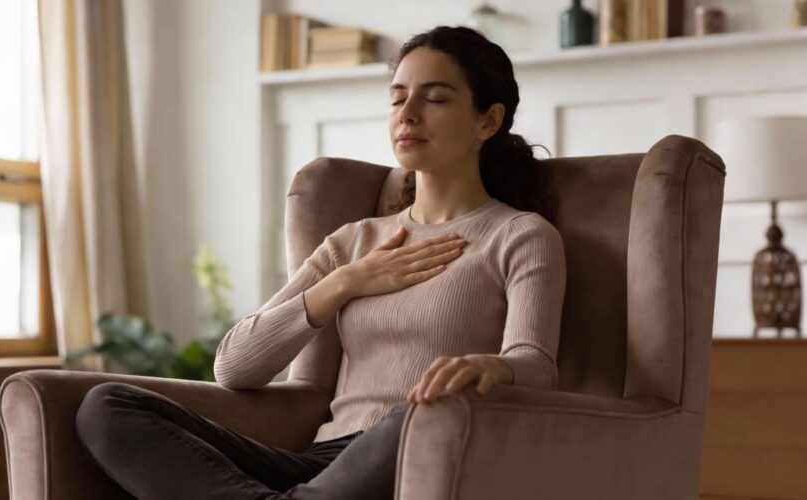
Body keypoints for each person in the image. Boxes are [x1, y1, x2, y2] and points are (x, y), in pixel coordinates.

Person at [75, 25, 566, 500]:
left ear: (488, 120)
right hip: (321, 464)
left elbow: (536, 365)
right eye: (397, 98)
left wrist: (489, 367)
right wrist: (347, 281)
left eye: (434, 98)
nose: (407, 114)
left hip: (418, 446)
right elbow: (234, 367)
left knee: (414, 413)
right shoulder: (353, 242)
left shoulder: (520, 235)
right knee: (107, 406)